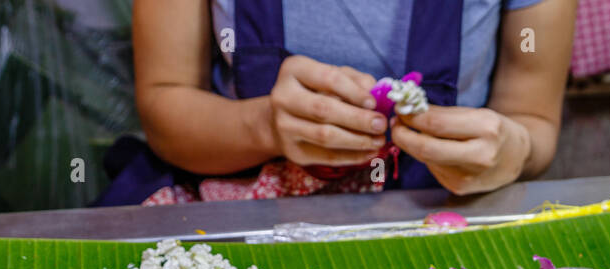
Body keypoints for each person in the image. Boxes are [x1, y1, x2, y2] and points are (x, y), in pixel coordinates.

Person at [102, 0, 575, 205]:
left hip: (439, 215)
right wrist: (264, 126)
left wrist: (512, 150)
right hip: (241, 209)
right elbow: (165, 104)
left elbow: (532, 120)